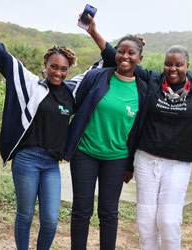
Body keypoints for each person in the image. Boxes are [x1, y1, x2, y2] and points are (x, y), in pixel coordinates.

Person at [84, 1, 192, 249]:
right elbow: (119, 59)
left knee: (167, 221)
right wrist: (93, 32)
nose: (173, 69)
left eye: (179, 65)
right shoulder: (153, 80)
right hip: (146, 160)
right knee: (145, 221)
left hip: (177, 164)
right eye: (169, 64)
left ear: (187, 67)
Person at [0, 14, 78, 250]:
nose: (58, 73)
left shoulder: (71, 92)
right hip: (27, 159)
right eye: (53, 67)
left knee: (50, 221)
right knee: (24, 215)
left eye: (64, 69)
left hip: (52, 164)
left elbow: (102, 67)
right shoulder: (31, 84)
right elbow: (3, 59)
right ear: (45, 65)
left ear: (68, 70)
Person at [63, 35, 148, 249]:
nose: (125, 56)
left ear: (140, 58)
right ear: (115, 53)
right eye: (121, 51)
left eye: (131, 53)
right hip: (84, 153)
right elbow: (76, 104)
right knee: (81, 210)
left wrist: (130, 165)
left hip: (116, 158)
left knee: (109, 213)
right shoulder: (97, 77)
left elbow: (137, 131)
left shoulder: (143, 91)